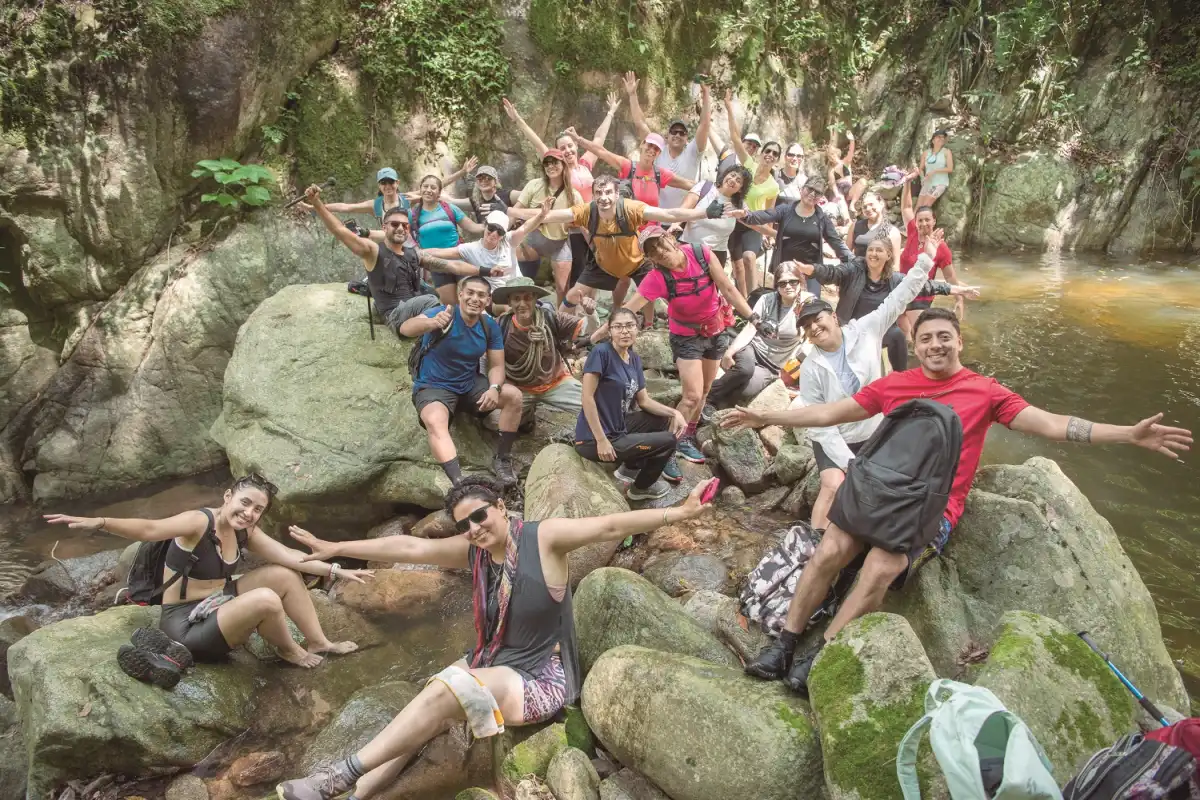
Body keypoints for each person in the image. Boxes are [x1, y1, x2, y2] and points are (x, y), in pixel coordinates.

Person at [722, 308, 1192, 696]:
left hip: (932, 508)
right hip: (878, 491)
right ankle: (785, 642)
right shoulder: (895, 384)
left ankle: (822, 653)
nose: (936, 345)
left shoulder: (986, 392)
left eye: (944, 337)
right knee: (831, 548)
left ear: (959, 342)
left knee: (881, 567)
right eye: (926, 339)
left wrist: (1127, 435)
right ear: (916, 345)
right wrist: (766, 415)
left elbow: (1051, 424)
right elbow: (830, 412)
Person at [276, 474, 717, 800]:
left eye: (480, 515)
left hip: (540, 676)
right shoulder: (476, 552)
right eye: (464, 524)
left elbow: (608, 526)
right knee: (426, 707)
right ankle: (355, 794)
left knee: (444, 691)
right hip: (493, 659)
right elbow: (410, 548)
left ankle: (338, 775)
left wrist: (678, 512)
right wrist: (338, 549)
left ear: (502, 507)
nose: (474, 528)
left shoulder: (544, 539)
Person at [44, 474, 370, 673]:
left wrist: (335, 569)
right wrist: (100, 522)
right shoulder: (199, 522)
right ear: (228, 496)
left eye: (257, 509)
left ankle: (318, 642)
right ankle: (289, 650)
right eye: (245, 503)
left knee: (283, 575)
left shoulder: (245, 531)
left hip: (217, 602)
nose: (249, 513)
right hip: (185, 624)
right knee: (266, 599)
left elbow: (291, 557)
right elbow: (149, 528)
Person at [788, 231, 973, 533]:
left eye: (817, 319)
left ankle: (871, 534)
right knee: (834, 483)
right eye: (807, 327)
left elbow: (902, 295)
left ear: (833, 316)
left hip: (873, 430)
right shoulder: (810, 367)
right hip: (835, 435)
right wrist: (848, 462)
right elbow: (817, 420)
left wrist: (927, 257)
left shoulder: (867, 329)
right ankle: (813, 540)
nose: (814, 328)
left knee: (888, 485)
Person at [603, 225, 757, 470]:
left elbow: (728, 288)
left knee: (704, 391)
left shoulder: (701, 254)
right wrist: (600, 335)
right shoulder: (657, 278)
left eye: (660, 243)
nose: (660, 251)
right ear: (650, 258)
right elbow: (628, 309)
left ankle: (686, 436)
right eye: (652, 251)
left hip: (716, 331)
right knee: (691, 396)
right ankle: (666, 449)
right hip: (686, 337)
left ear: (670, 238)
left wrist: (753, 317)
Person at [508, 175, 724, 315]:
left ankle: (651, 325)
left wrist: (705, 212)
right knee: (572, 295)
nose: (603, 198)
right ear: (593, 195)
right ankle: (560, 329)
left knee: (650, 295)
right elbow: (550, 216)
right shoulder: (587, 211)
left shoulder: (630, 208)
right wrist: (513, 212)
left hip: (636, 262)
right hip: (603, 264)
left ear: (617, 194)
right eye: (599, 193)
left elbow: (669, 214)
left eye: (608, 192)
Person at [306, 185, 486, 336]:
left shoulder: (413, 254)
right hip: (394, 315)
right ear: (384, 227)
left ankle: (432, 328)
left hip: (411, 308)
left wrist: (485, 271)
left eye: (405, 225)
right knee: (430, 300)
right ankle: (431, 328)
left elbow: (453, 266)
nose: (400, 228)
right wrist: (317, 203)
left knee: (433, 295)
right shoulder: (373, 251)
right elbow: (340, 231)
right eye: (394, 224)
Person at [399, 276, 524, 487]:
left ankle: (502, 459)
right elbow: (406, 327)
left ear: (488, 300)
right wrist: (431, 323)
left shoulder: (488, 325)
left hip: (469, 385)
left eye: (481, 295)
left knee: (514, 397)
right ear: (460, 295)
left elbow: (496, 366)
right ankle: (460, 483)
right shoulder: (443, 313)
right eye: (470, 293)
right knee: (435, 420)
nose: (475, 299)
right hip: (434, 386)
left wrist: (494, 388)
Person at [793, 237, 978, 372]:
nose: (873, 254)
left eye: (878, 250)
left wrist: (958, 290)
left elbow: (925, 286)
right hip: (849, 330)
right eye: (870, 250)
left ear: (888, 255)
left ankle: (900, 377)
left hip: (878, 333)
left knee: (897, 334)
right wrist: (810, 269)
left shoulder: (895, 279)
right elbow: (832, 272)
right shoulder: (854, 270)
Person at [502, 93, 622, 291]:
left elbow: (598, 140)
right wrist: (518, 119)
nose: (567, 150)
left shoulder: (585, 164)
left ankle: (588, 305)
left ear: (576, 145)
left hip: (592, 224)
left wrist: (610, 112)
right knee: (577, 276)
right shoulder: (558, 170)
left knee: (595, 269)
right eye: (562, 148)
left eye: (570, 146)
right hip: (572, 229)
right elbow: (537, 142)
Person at [575, 308, 688, 500]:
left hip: (618, 428)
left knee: (661, 420)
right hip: (592, 440)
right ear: (609, 331)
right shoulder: (601, 353)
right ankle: (641, 488)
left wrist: (674, 413)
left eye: (629, 326)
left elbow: (644, 401)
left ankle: (630, 468)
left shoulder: (634, 359)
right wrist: (601, 441)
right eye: (618, 326)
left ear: (638, 329)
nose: (624, 331)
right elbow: (587, 398)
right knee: (668, 441)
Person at [490, 276, 598, 427]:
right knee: (495, 423)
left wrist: (590, 313)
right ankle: (526, 416)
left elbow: (588, 329)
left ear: (535, 299)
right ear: (509, 302)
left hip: (556, 382)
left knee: (595, 410)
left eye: (528, 298)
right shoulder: (500, 326)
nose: (522, 304)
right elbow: (488, 359)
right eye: (516, 299)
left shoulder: (551, 317)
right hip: (519, 389)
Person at [705, 261, 810, 413]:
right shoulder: (767, 300)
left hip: (772, 365)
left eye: (793, 282)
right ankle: (707, 398)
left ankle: (718, 402)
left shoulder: (807, 303)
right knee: (744, 370)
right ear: (777, 286)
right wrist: (730, 352)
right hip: (753, 348)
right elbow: (750, 328)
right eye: (782, 283)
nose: (788, 286)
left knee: (746, 390)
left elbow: (811, 337)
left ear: (800, 282)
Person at [732, 178, 853, 297]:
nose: (812, 194)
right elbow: (765, 215)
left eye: (817, 192)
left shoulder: (822, 219)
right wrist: (746, 215)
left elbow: (836, 243)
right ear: (802, 189)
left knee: (810, 305)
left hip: (811, 271)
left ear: (821, 197)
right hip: (785, 269)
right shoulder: (785, 210)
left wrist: (853, 262)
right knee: (783, 304)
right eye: (810, 189)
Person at [421, 199, 552, 305]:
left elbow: (526, 227)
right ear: (485, 225)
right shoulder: (471, 249)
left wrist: (541, 215)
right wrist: (418, 252)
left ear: (503, 234)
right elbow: (442, 252)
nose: (494, 234)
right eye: (491, 228)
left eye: (499, 231)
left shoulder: (508, 240)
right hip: (498, 298)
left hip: (519, 288)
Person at [623, 72, 714, 208]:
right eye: (674, 132)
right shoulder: (658, 151)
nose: (677, 135)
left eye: (682, 133)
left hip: (682, 215)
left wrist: (706, 94)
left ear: (687, 138)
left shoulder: (693, 152)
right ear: (667, 136)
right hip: (657, 213)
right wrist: (632, 95)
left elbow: (704, 125)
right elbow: (640, 123)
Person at [721, 90, 780, 298]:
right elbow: (735, 138)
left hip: (753, 223)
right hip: (734, 221)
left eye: (775, 154)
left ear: (777, 160)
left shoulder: (774, 186)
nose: (770, 155)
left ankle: (755, 300)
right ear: (762, 154)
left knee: (749, 258)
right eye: (768, 151)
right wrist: (729, 107)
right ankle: (744, 303)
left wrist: (769, 234)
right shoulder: (749, 164)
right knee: (737, 266)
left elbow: (770, 212)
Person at [513, 150, 579, 303]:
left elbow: (582, 223)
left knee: (562, 288)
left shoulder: (574, 195)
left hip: (561, 243)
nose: (550, 166)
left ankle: (561, 315)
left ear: (563, 165)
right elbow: (516, 210)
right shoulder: (534, 185)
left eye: (554, 162)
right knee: (516, 273)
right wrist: (502, 232)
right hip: (534, 239)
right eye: (547, 163)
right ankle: (523, 306)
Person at [899, 176, 962, 337]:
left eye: (927, 220)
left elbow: (950, 276)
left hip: (921, 295)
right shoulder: (912, 232)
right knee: (904, 336)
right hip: (901, 289)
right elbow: (906, 207)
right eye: (920, 220)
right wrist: (907, 182)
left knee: (919, 335)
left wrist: (959, 298)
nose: (923, 224)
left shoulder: (941, 247)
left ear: (934, 221)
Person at [411, 174, 487, 305]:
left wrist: (492, 226)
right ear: (420, 189)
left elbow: (473, 227)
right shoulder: (413, 214)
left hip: (459, 259)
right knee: (450, 306)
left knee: (472, 299)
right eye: (425, 186)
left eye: (433, 187)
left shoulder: (450, 208)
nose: (429, 190)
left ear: (439, 192)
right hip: (437, 265)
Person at [677, 162, 752, 266]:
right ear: (725, 175)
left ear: (740, 189)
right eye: (732, 175)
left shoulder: (739, 204)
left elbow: (752, 219)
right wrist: (674, 225)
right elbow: (683, 210)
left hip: (717, 255)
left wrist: (744, 215)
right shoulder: (704, 187)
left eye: (738, 181)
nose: (733, 180)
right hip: (689, 248)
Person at [846, 190, 900, 265]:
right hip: (857, 270)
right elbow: (846, 254)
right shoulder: (855, 226)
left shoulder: (892, 231)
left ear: (881, 204)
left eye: (871, 204)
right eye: (864, 207)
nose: (868, 209)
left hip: (881, 271)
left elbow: (895, 263)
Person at [446, 165, 511, 225]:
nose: (484, 181)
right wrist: (461, 172)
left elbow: (519, 203)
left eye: (488, 178)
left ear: (496, 181)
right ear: (477, 182)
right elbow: (449, 201)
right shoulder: (475, 201)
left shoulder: (507, 195)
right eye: (480, 179)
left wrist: (508, 211)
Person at [917, 129, 953, 208]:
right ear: (933, 140)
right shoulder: (926, 153)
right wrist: (922, 179)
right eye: (939, 137)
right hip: (927, 183)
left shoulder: (946, 152)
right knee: (918, 207)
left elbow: (950, 169)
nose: (941, 139)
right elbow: (921, 168)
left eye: (943, 137)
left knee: (925, 206)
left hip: (940, 183)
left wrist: (935, 171)